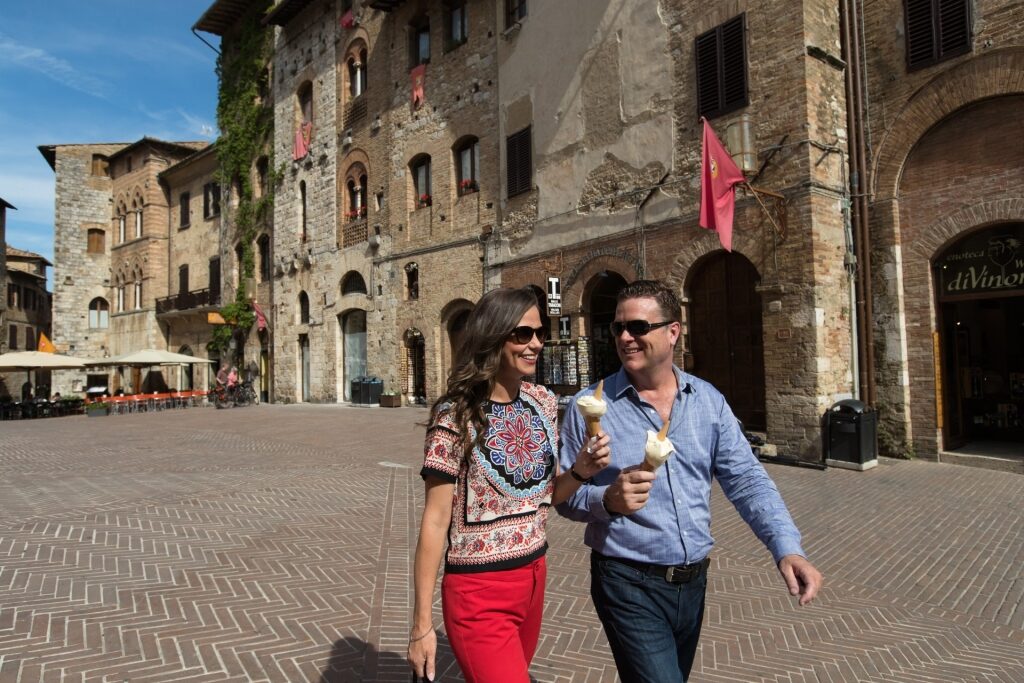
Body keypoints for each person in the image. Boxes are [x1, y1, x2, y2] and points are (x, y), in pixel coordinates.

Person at [556, 280, 823, 682]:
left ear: (673, 332)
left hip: (693, 582)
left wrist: (787, 547)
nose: (625, 337)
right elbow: (565, 499)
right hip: (626, 581)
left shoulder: (708, 401)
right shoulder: (589, 407)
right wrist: (607, 500)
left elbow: (747, 480)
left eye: (638, 327)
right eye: (618, 328)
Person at [408, 287, 611, 683]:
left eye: (539, 332)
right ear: (493, 335)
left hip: (534, 577)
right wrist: (421, 623)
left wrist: (581, 471)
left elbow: (544, 498)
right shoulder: (454, 416)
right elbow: (434, 521)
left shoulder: (543, 402)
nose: (535, 343)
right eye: (522, 334)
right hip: (477, 593)